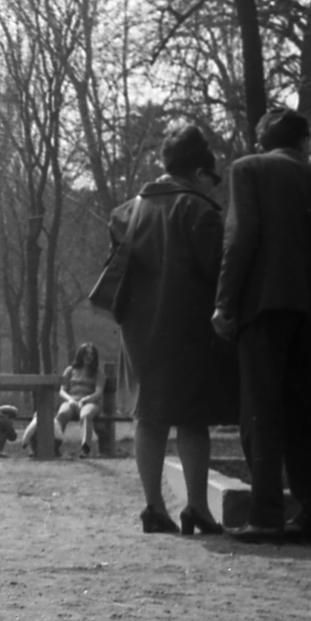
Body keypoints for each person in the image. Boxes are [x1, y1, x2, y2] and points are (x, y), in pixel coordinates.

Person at [214, 108, 311, 545]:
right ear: (303, 143)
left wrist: (225, 304)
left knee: (260, 410)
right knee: (305, 414)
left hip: (262, 307)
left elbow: (241, 237)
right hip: (309, 311)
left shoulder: (247, 169)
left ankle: (266, 514)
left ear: (262, 141)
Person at [117, 125, 237, 535]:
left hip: (137, 331)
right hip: (186, 329)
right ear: (199, 171)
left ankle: (153, 507)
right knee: (192, 419)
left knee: (148, 417)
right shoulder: (199, 210)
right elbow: (217, 272)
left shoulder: (130, 209)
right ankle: (198, 508)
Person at [22, 343, 105, 457]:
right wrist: (70, 400)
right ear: (80, 354)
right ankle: (54, 447)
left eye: (91, 354)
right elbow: (62, 391)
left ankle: (85, 449)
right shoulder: (70, 370)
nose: (88, 357)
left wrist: (85, 400)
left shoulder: (98, 372)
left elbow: (98, 392)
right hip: (71, 401)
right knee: (62, 414)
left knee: (85, 416)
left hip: (90, 402)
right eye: (86, 353)